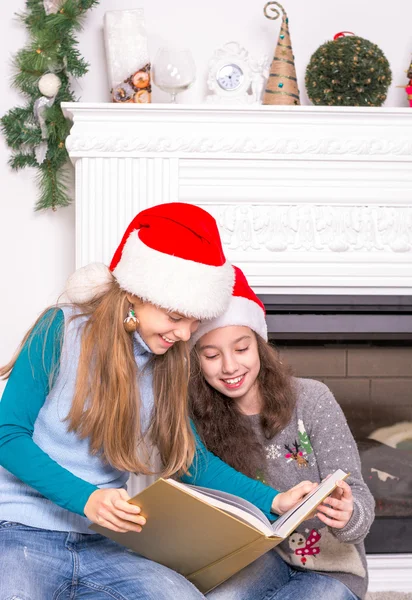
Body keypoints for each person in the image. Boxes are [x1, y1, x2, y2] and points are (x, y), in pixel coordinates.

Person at [0, 203, 314, 600]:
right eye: (174, 317)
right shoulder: (61, 329)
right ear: (135, 293)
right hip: (18, 530)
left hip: (103, 540)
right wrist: (87, 498)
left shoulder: (167, 364)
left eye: (195, 321)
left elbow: (191, 461)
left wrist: (275, 500)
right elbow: (7, 435)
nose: (185, 335)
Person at [189, 266, 375, 600]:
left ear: (260, 346)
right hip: (255, 560)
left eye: (242, 349)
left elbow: (359, 496)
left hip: (331, 565)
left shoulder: (312, 398)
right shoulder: (198, 418)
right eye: (212, 356)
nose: (229, 366)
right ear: (196, 361)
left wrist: (349, 515)